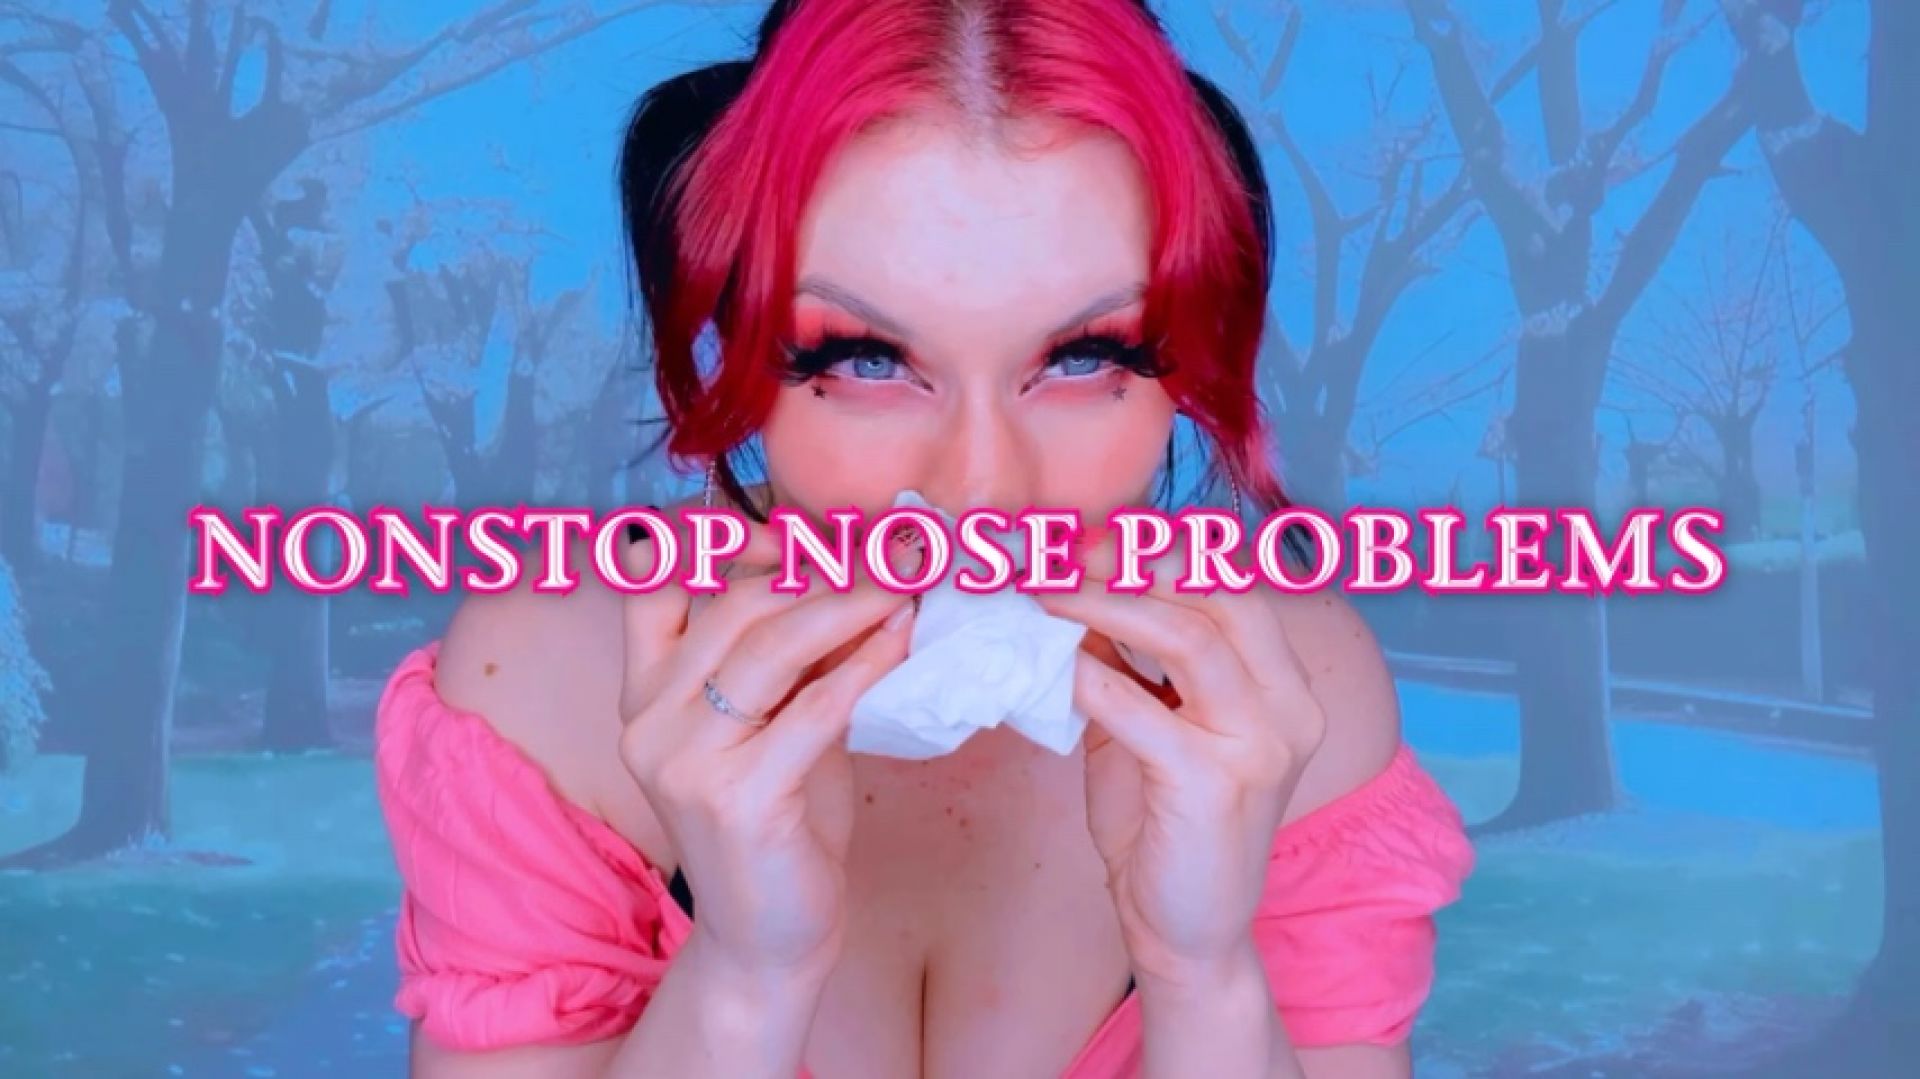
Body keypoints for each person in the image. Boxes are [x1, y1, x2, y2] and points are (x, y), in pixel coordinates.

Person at [372, 1, 1475, 1075]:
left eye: (1084, 355)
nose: (982, 489)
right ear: (736, 335)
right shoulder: (546, 679)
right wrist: (745, 975)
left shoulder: (1292, 695)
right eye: (866, 358)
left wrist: (1204, 972)